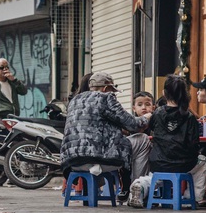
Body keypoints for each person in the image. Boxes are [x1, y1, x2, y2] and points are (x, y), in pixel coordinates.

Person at [61, 72, 149, 202]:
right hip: (98, 159)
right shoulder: (106, 98)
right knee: (142, 140)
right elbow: (133, 125)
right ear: (105, 88)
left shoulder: (75, 100)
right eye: (112, 90)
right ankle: (137, 190)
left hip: (72, 162)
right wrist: (146, 118)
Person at [149, 75, 206, 207]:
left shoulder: (157, 113)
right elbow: (193, 144)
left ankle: (144, 187)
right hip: (184, 163)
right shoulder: (189, 117)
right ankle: (193, 197)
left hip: (158, 162)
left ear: (164, 93)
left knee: (157, 170)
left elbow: (151, 130)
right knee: (204, 161)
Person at [128, 91, 155, 179]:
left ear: (153, 107)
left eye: (147, 104)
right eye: (139, 105)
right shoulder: (130, 124)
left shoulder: (156, 123)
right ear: (134, 108)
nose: (144, 107)